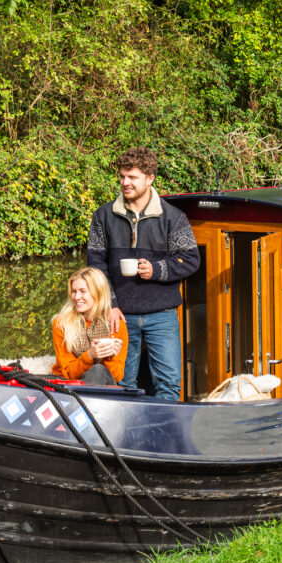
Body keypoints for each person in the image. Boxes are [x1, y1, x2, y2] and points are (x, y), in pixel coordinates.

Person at [86, 146, 200, 399]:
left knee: (169, 383)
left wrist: (157, 270)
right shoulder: (102, 216)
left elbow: (191, 260)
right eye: (122, 176)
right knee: (121, 383)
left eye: (132, 177)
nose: (125, 182)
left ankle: (164, 434)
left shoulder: (174, 217)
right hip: (119, 315)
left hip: (162, 314)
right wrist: (111, 304)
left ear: (150, 179)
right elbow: (96, 265)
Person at [51, 267, 128, 385]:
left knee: (98, 370)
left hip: (103, 386)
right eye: (73, 291)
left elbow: (117, 376)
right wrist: (90, 355)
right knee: (96, 370)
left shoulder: (115, 325)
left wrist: (109, 356)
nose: (76, 297)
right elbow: (68, 373)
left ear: (98, 292)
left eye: (83, 291)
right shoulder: (61, 324)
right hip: (70, 385)